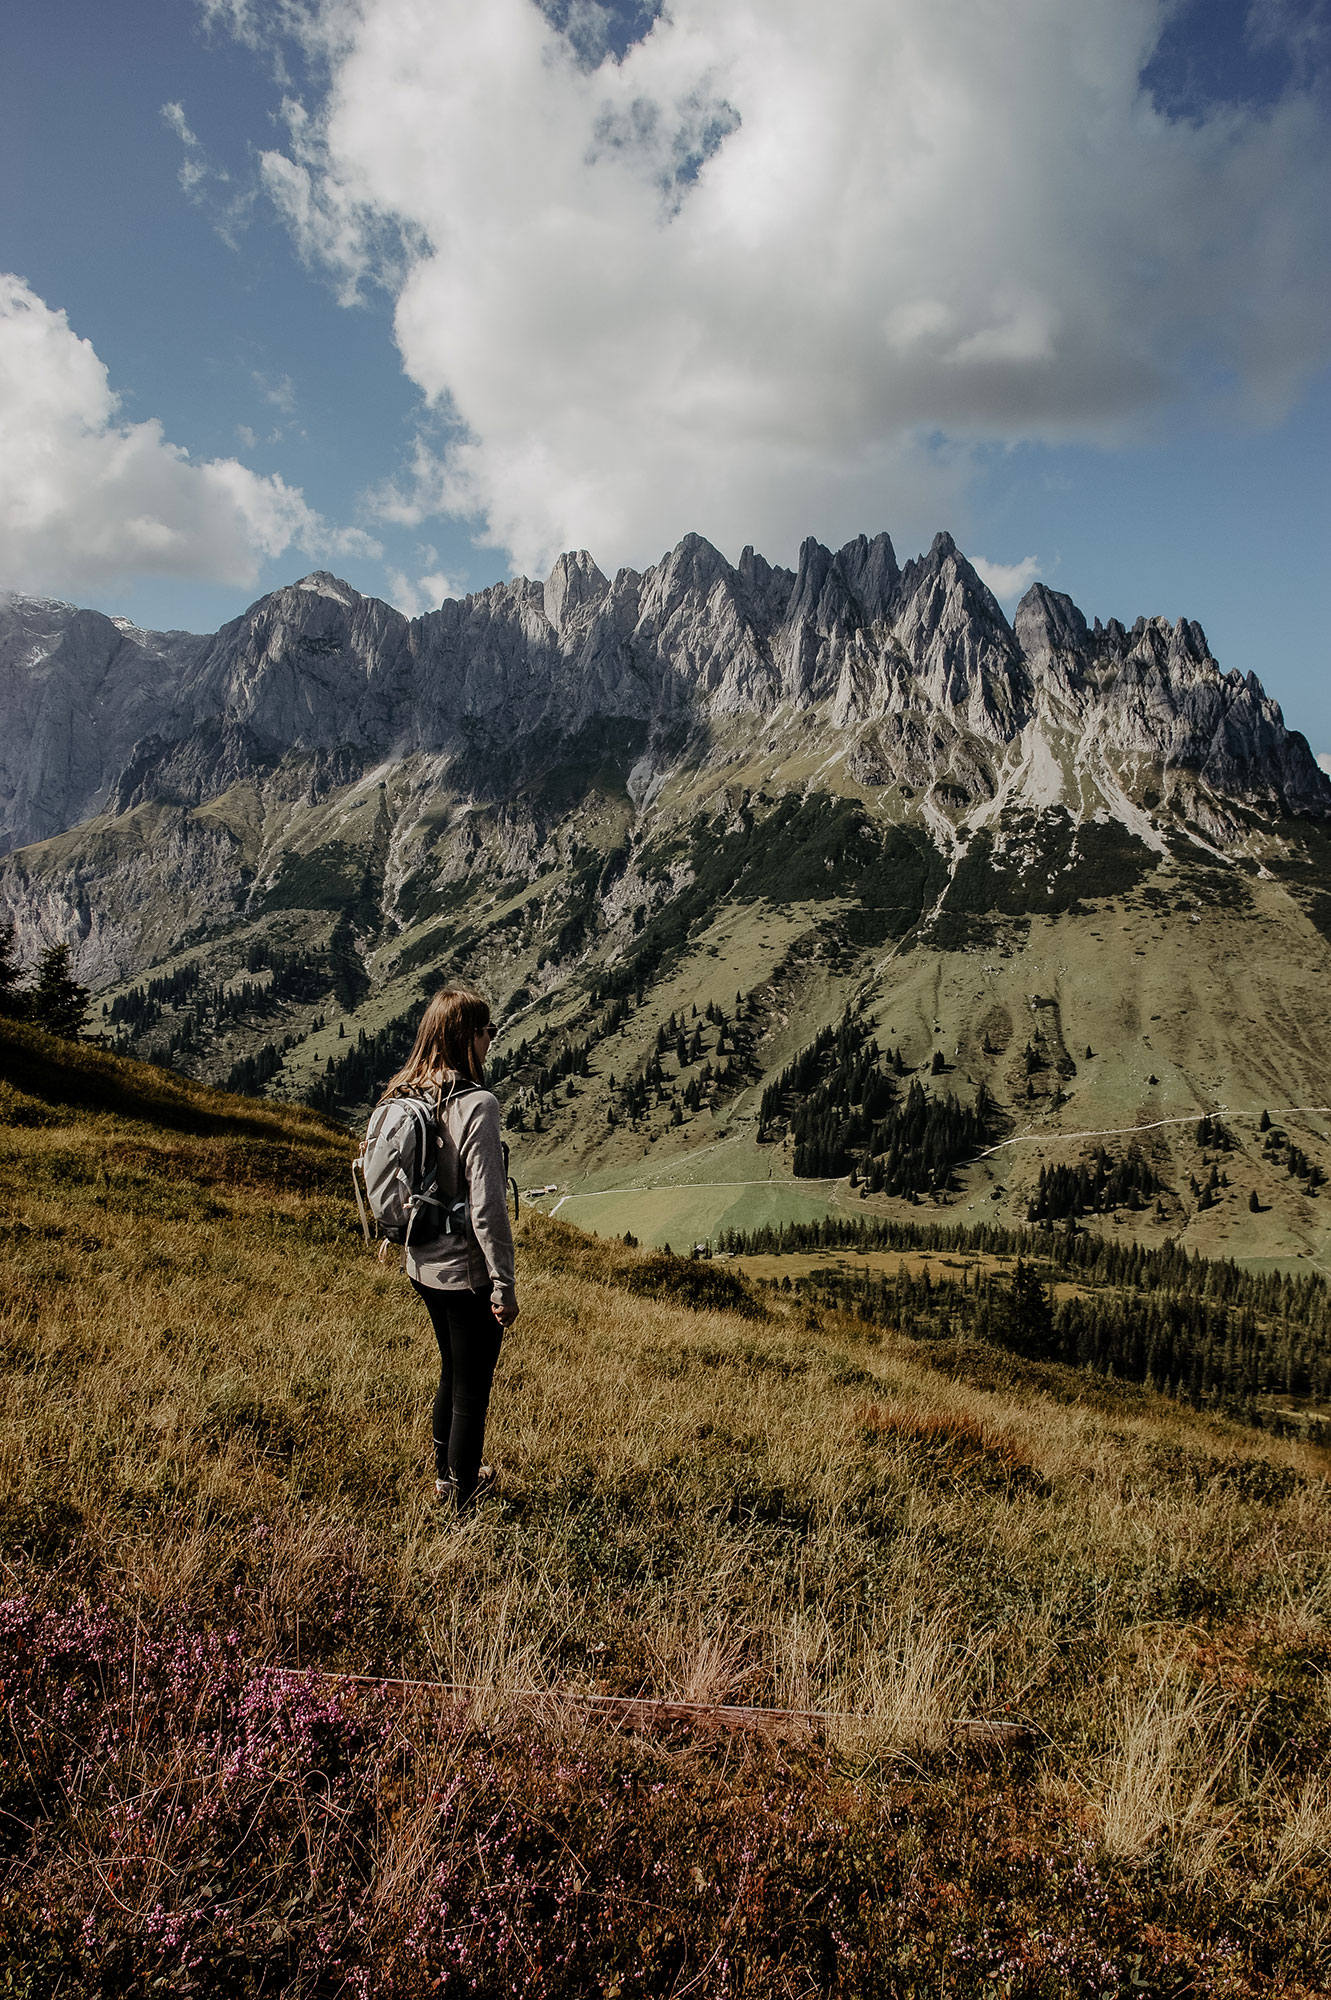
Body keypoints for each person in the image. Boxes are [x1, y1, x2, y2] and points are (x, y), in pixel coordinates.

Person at [376, 984, 518, 1509]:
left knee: (451, 1370)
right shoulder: (478, 1104)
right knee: (471, 1389)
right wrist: (503, 1285)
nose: (490, 1041)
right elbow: (487, 1207)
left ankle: (444, 1479)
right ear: (468, 1037)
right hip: (465, 1273)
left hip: (421, 1263)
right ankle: (461, 1503)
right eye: (487, 1031)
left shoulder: (405, 1093)